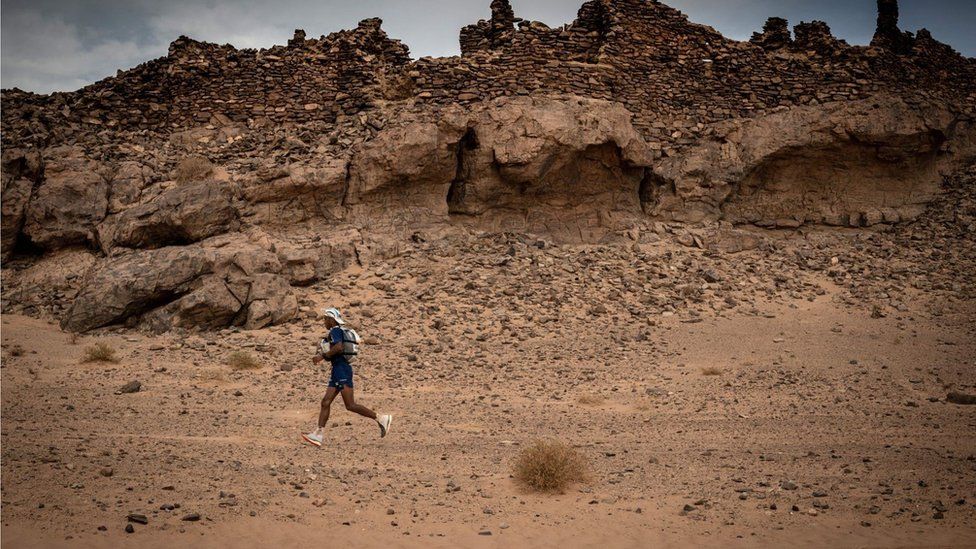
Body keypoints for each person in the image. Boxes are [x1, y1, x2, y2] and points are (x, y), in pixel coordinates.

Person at [302, 307, 392, 447]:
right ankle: (318, 434)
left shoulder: (335, 331)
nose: (324, 322)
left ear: (331, 320)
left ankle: (381, 418)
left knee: (350, 405)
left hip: (342, 370)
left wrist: (322, 356)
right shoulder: (336, 331)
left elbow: (339, 347)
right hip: (337, 370)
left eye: (325, 319)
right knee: (326, 402)